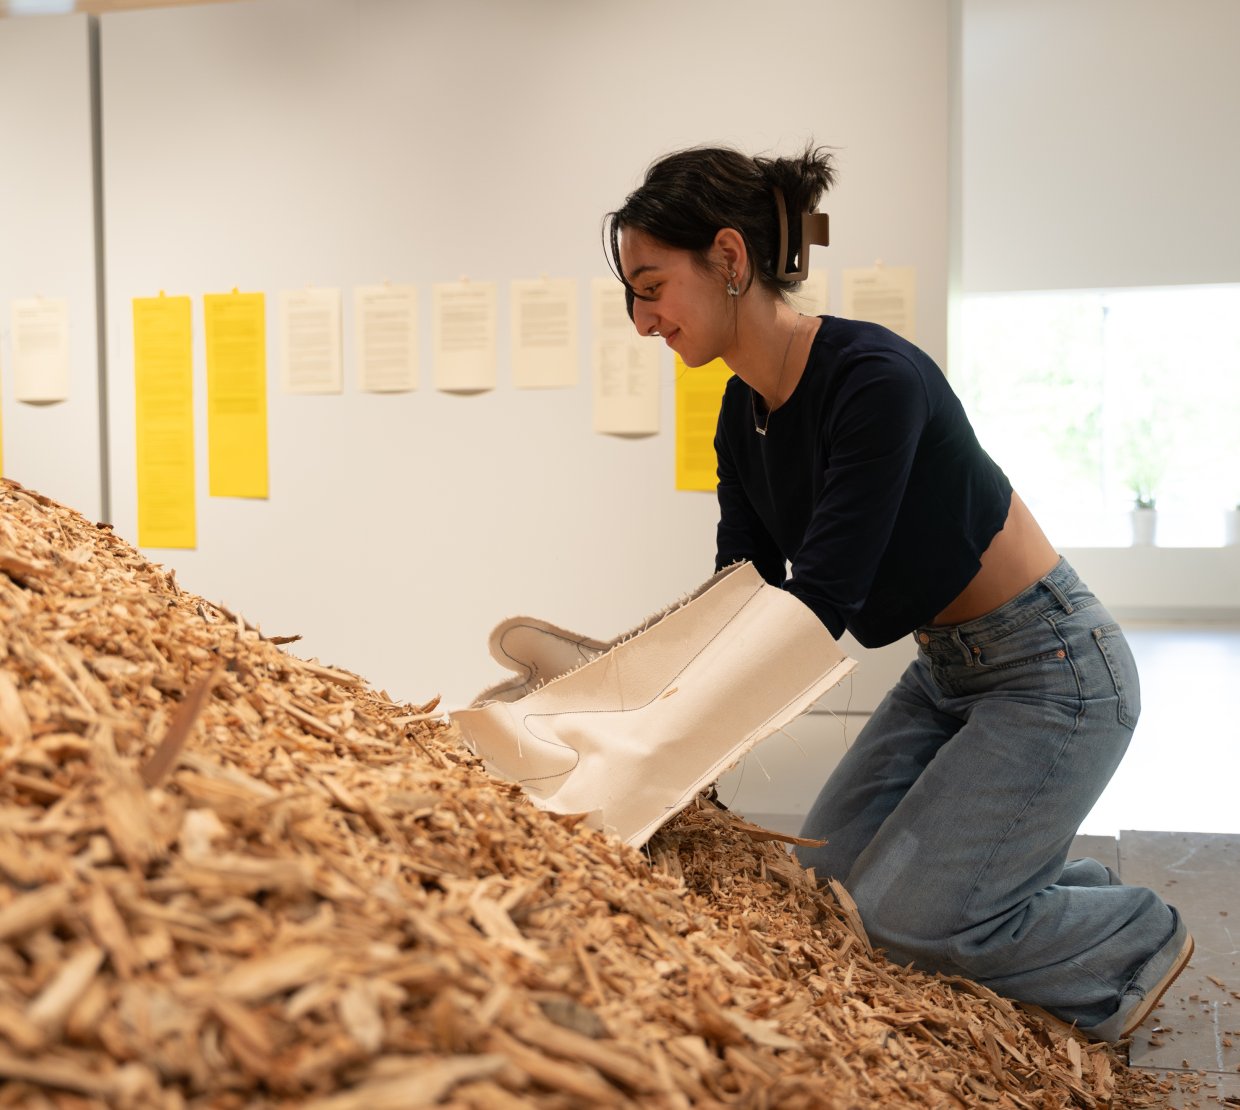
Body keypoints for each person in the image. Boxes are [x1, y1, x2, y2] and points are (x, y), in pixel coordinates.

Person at [605, 144, 1193, 1042]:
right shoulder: (741, 412)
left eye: (651, 286)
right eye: (632, 296)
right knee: (828, 898)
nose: (642, 320)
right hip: (946, 672)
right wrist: (629, 690)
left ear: (728, 259)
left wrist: (670, 738)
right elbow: (744, 588)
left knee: (902, 927)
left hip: (1053, 671)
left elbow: (819, 601)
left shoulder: (872, 379)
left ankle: (1132, 933)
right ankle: (1013, 887)